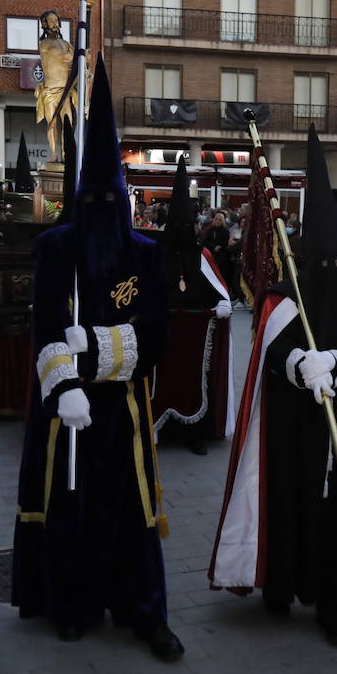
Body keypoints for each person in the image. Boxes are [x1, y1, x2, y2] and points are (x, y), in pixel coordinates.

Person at [12, 60, 183, 662]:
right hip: (73, 411)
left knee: (135, 509)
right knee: (75, 504)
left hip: (126, 405)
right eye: (96, 197)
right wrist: (65, 383)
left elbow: (157, 328)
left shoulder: (147, 254)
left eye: (114, 197)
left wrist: (103, 349)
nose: (105, 205)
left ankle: (146, 612)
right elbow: (44, 322)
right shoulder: (56, 248)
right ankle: (74, 604)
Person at [210, 126, 337, 647]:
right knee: (285, 500)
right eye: (320, 263)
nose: (328, 270)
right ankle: (278, 584)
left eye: (334, 262)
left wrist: (336, 360)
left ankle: (329, 601)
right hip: (289, 425)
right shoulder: (281, 295)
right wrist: (298, 361)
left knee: (333, 512)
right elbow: (269, 346)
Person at [150, 157, 235, 456]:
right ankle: (156, 429)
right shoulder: (155, 256)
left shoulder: (203, 256)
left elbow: (221, 291)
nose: (182, 231)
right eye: (177, 226)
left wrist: (223, 305)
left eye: (187, 226)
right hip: (163, 333)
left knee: (194, 384)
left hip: (196, 337)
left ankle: (193, 432)